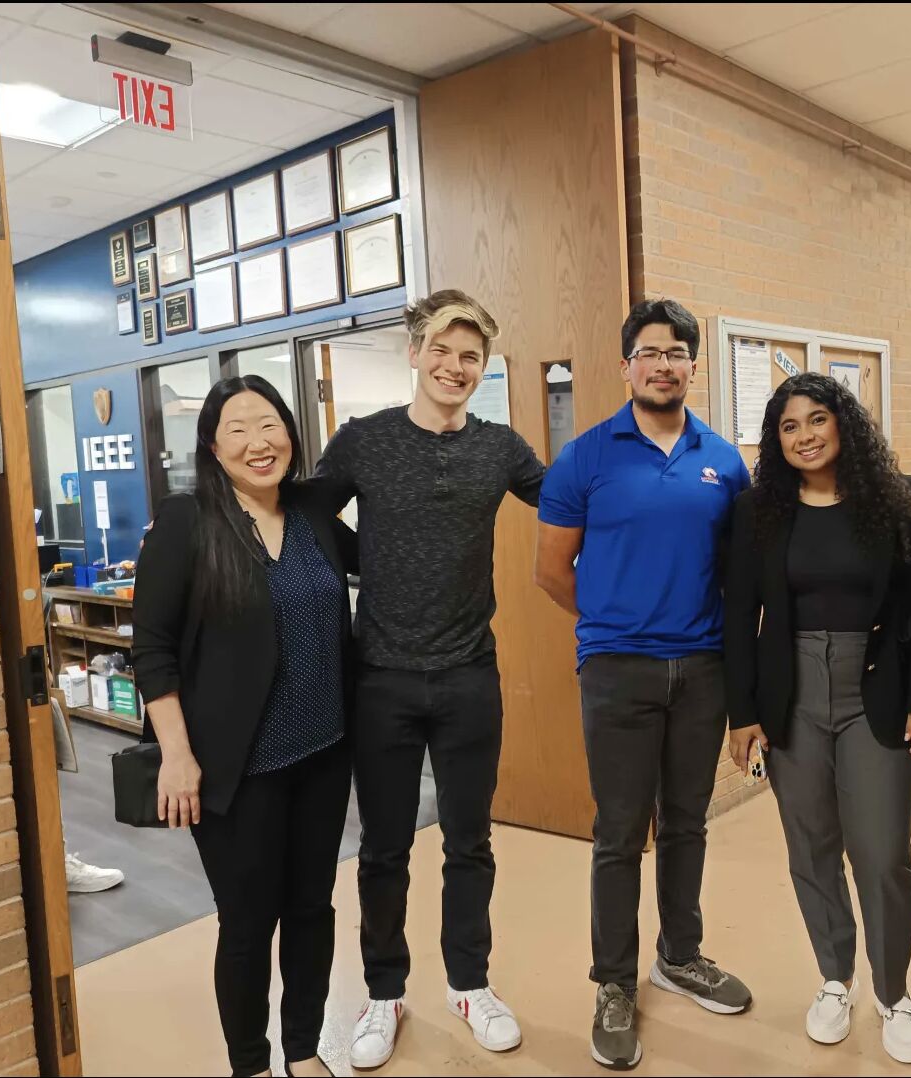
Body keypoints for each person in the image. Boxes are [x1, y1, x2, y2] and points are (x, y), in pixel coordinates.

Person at [309, 290, 545, 1068]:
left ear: (482, 368)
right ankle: (383, 994)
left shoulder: (500, 447)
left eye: (470, 356)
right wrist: (364, 563)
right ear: (415, 353)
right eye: (442, 350)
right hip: (380, 679)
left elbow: (571, 501)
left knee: (471, 842)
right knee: (382, 848)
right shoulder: (363, 443)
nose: (454, 366)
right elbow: (308, 520)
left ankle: (471, 985)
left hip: (470, 674)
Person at [535, 298, 754, 1071]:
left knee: (688, 821)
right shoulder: (586, 457)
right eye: (649, 351)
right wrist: (611, 626)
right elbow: (551, 571)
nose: (664, 364)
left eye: (678, 352)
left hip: (702, 669)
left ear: (694, 365)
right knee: (619, 833)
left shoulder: (724, 461)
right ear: (626, 364)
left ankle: (681, 955)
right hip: (618, 671)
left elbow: (739, 572)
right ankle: (613, 983)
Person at [723, 372, 911, 1063]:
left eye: (816, 420)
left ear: (844, 425)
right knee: (812, 848)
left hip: (875, 690)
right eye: (788, 426)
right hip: (790, 693)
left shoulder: (898, 499)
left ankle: (894, 993)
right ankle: (836, 977)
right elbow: (740, 615)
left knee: (883, 853)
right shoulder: (758, 511)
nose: (804, 436)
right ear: (776, 439)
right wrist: (743, 714)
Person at [133, 376, 358, 1078]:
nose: (259, 443)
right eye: (238, 429)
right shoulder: (187, 521)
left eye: (271, 425)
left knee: (313, 910)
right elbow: (152, 647)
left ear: (291, 431)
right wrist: (176, 756)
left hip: (324, 754)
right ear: (211, 444)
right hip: (238, 769)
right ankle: (249, 1064)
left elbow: (389, 551)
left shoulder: (314, 510)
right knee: (247, 923)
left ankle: (303, 1050)